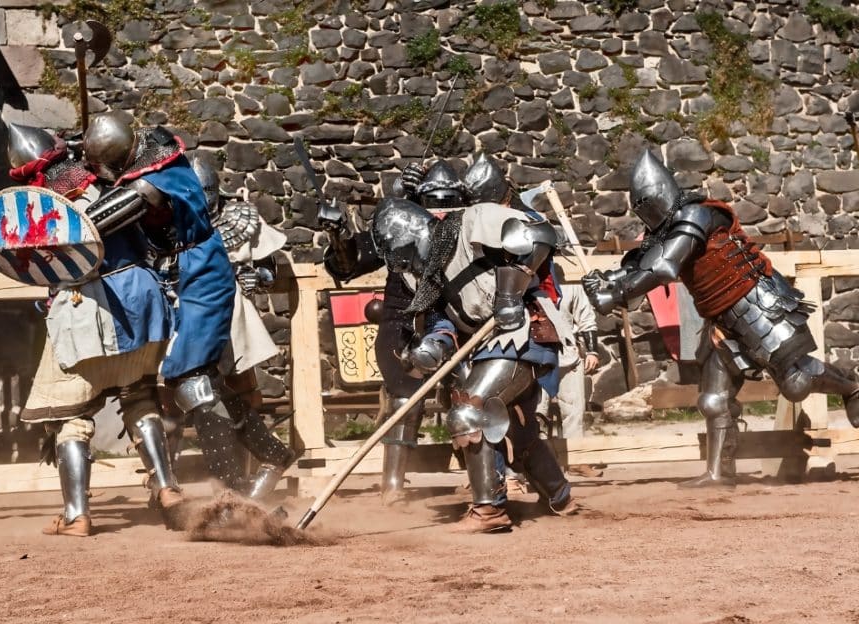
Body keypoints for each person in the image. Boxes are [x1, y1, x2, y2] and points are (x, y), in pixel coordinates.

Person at [583, 149, 859, 487]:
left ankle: (849, 384)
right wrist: (606, 281)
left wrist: (614, 294)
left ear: (660, 193)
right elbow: (639, 266)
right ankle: (720, 473)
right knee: (713, 400)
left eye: (646, 201)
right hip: (721, 319)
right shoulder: (665, 232)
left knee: (796, 384)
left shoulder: (697, 216)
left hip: (757, 304)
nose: (646, 211)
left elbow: (663, 267)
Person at [6, 122, 182, 537]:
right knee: (139, 396)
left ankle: (77, 515)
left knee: (70, 415)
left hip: (86, 305)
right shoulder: (113, 185)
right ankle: (166, 488)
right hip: (142, 299)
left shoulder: (38, 206)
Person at [372, 195, 578, 532]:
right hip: (489, 346)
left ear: (414, 234)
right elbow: (446, 323)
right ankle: (560, 496)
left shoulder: (473, 222)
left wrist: (510, 293)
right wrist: (434, 345)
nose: (404, 263)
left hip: (523, 331)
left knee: (469, 409)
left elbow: (541, 234)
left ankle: (489, 511)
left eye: (403, 253)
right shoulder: (429, 277)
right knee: (519, 434)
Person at [80, 112, 238, 493]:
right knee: (178, 382)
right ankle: (188, 483)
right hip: (178, 270)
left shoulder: (156, 176)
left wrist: (52, 229)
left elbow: (94, 222)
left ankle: (235, 481)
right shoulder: (153, 157)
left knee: (190, 378)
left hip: (201, 268)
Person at [323, 159, 469, 506]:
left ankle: (483, 477)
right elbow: (348, 264)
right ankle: (392, 486)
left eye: (449, 201)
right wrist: (337, 234)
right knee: (404, 398)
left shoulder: (468, 225)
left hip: (459, 321)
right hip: (402, 322)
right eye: (434, 201)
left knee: (470, 396)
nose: (441, 210)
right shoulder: (398, 226)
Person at [183, 153, 297, 501]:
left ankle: (242, 485)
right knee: (178, 402)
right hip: (185, 314)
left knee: (239, 395)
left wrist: (255, 277)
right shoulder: (173, 224)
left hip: (232, 317)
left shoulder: (239, 219)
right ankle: (170, 487)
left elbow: (270, 270)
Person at [536, 268, 601, 477]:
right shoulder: (527, 282)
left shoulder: (571, 284)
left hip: (567, 354)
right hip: (536, 356)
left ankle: (576, 459)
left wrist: (592, 351)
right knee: (536, 413)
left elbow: (585, 316)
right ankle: (539, 466)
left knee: (574, 410)